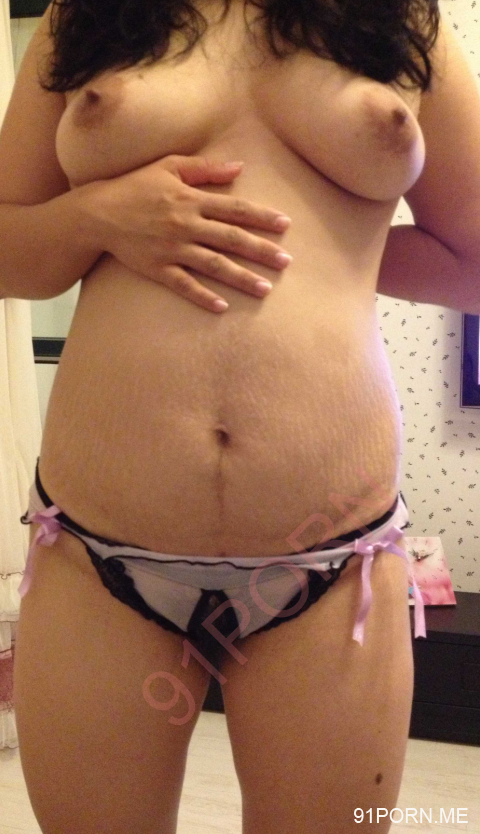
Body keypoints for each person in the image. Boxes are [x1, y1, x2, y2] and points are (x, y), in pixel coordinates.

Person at [1, 0, 480, 831]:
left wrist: (338, 242)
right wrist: (98, 218)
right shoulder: (85, 14)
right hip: (97, 560)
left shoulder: (406, 19)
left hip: (335, 569)